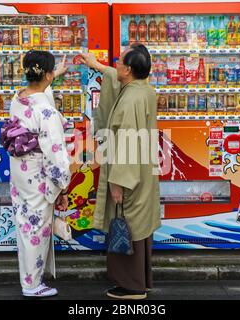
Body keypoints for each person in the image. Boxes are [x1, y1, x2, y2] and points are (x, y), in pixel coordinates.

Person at [80, 43, 161, 300]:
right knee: (140, 223)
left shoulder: (130, 101)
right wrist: (96, 65)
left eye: (119, 61)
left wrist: (118, 183)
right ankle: (142, 279)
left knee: (127, 223)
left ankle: (131, 285)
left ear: (128, 69)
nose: (115, 64)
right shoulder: (143, 89)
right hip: (143, 171)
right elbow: (115, 77)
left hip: (129, 175)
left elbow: (126, 143)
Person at [7, 50, 71, 297]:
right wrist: (62, 186)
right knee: (36, 229)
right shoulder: (46, 111)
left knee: (25, 225)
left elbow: (40, 93)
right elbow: (55, 153)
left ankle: (30, 279)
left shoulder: (18, 97)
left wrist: (53, 76)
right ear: (47, 74)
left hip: (21, 174)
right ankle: (32, 285)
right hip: (39, 177)